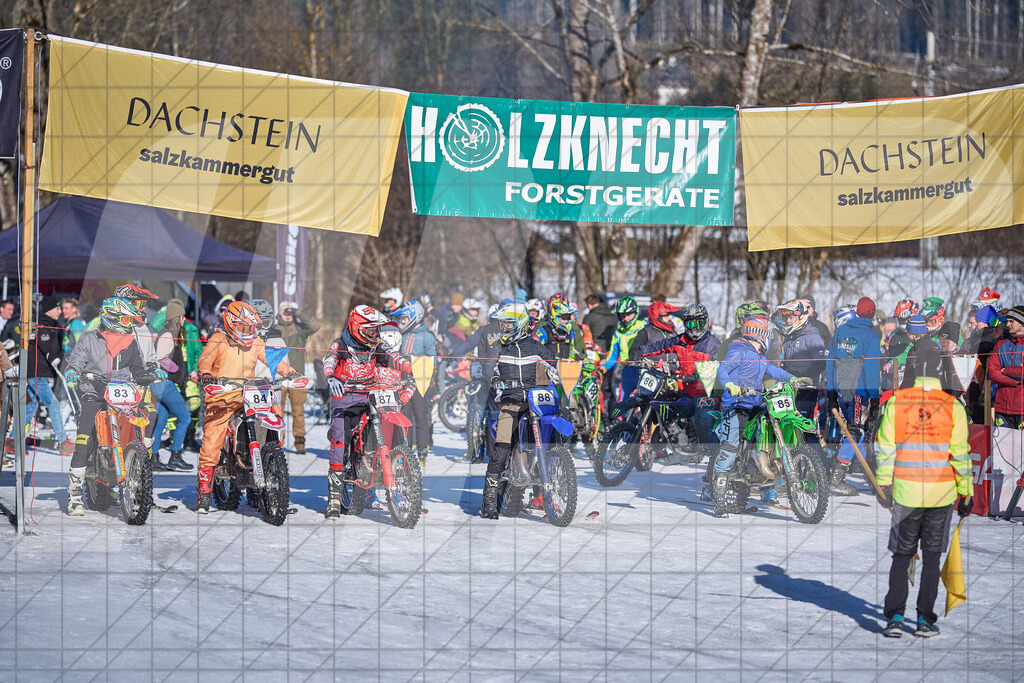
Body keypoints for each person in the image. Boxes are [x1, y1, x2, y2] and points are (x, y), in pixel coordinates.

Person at [876, 341, 972, 638]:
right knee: (931, 558)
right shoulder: (953, 406)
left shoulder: (897, 402)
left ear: (915, 367)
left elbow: (886, 449)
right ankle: (924, 620)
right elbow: (960, 453)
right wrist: (966, 491)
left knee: (901, 555)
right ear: (941, 370)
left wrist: (883, 483)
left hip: (906, 492)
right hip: (941, 494)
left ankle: (894, 617)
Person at [195, 301, 300, 513]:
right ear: (232, 324)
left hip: (249, 395)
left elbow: (272, 359)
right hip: (222, 397)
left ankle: (271, 464)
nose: (249, 333)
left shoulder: (255, 342)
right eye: (244, 328)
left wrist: (290, 372)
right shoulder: (219, 339)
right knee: (213, 438)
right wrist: (206, 375)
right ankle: (204, 492)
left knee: (275, 416)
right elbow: (204, 360)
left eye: (251, 328)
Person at [63, 297, 156, 516]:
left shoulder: (130, 341)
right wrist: (72, 371)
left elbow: (138, 367)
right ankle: (75, 495)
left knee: (143, 421)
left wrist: (147, 375)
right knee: (84, 438)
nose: (128, 323)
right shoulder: (89, 339)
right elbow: (76, 361)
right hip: (94, 392)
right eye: (125, 318)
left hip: (121, 393)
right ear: (112, 318)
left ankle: (137, 470)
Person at [322, 305, 412, 520]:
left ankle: (404, 487)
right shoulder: (341, 343)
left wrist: (409, 365)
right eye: (372, 330)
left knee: (389, 425)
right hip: (344, 399)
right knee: (339, 442)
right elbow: (329, 360)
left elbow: (392, 356)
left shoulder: (377, 345)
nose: (375, 334)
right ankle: (334, 498)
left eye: (376, 330)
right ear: (359, 327)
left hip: (369, 396)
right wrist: (331, 377)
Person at [712, 315, 798, 518]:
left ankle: (760, 468)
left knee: (765, 432)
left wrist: (793, 378)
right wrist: (730, 385)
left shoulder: (759, 357)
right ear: (762, 335)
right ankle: (719, 501)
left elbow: (774, 371)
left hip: (756, 404)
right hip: (735, 405)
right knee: (731, 447)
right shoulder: (738, 349)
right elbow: (723, 369)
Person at [478, 303, 558, 519]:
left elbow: (554, 363)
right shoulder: (498, 347)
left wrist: (564, 371)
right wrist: (494, 379)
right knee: (502, 448)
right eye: (503, 323)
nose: (504, 327)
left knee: (552, 434)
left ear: (520, 324)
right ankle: (489, 503)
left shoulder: (535, 346)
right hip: (509, 402)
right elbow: (487, 367)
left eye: (508, 323)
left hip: (534, 402)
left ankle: (549, 493)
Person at [825, 297, 881, 496]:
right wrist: (874, 398)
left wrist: (831, 392)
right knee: (856, 432)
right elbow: (872, 369)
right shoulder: (871, 336)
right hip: (860, 392)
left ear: (857, 312)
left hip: (841, 390)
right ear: (873, 314)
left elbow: (830, 363)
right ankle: (836, 479)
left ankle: (872, 477)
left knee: (856, 431)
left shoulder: (841, 331)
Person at [148, 298, 193, 471]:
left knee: (161, 420)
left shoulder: (168, 334)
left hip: (159, 384)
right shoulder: (167, 334)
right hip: (164, 384)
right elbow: (161, 358)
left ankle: (154, 458)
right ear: (177, 318)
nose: (184, 321)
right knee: (185, 418)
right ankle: (176, 455)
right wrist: (177, 370)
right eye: (182, 318)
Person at [26, 295, 74, 455]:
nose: (60, 311)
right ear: (49, 310)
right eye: (58, 308)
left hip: (40, 372)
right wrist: (54, 358)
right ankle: (62, 442)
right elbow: (46, 344)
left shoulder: (53, 324)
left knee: (31, 406)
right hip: (36, 371)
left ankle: (11, 440)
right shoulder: (44, 325)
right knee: (53, 405)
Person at [391, 300, 437, 466]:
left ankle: (422, 451)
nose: (401, 322)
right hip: (402, 382)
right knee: (405, 418)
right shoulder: (401, 335)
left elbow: (434, 360)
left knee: (421, 417)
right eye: (401, 319)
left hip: (419, 383)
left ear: (414, 317)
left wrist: (414, 361)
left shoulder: (427, 336)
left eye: (404, 319)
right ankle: (406, 451)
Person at [273, 300, 322, 454]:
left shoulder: (300, 329)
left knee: (298, 411)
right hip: (279, 377)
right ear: (280, 313)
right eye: (285, 312)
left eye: (290, 313)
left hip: (297, 377)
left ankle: (300, 442)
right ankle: (277, 440)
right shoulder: (273, 330)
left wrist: (298, 312)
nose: (287, 315)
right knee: (276, 411)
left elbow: (315, 326)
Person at [773, 299, 825, 418]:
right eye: (786, 318)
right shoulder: (788, 338)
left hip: (805, 389)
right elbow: (774, 317)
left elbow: (820, 364)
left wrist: (805, 377)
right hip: (788, 387)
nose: (788, 321)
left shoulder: (813, 337)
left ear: (800, 317)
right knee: (783, 421)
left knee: (803, 426)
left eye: (791, 318)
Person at [602, 296, 647, 404]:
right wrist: (602, 368)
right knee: (625, 404)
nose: (625, 319)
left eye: (628, 315)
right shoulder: (618, 333)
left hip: (644, 370)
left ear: (635, 313)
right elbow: (613, 356)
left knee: (645, 404)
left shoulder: (644, 327)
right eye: (622, 316)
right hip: (627, 371)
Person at [987, 305, 1024, 428]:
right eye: (1007, 321)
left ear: (1022, 323)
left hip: (1022, 410)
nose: (1007, 325)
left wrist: (1006, 370)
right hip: (1002, 408)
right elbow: (992, 373)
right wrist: (1016, 382)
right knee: (1002, 447)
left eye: (1011, 321)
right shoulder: (1001, 345)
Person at [963, 304, 999, 423]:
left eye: (978, 321)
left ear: (987, 322)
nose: (975, 325)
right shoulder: (981, 337)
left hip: (983, 388)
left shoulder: (986, 339)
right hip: (980, 387)